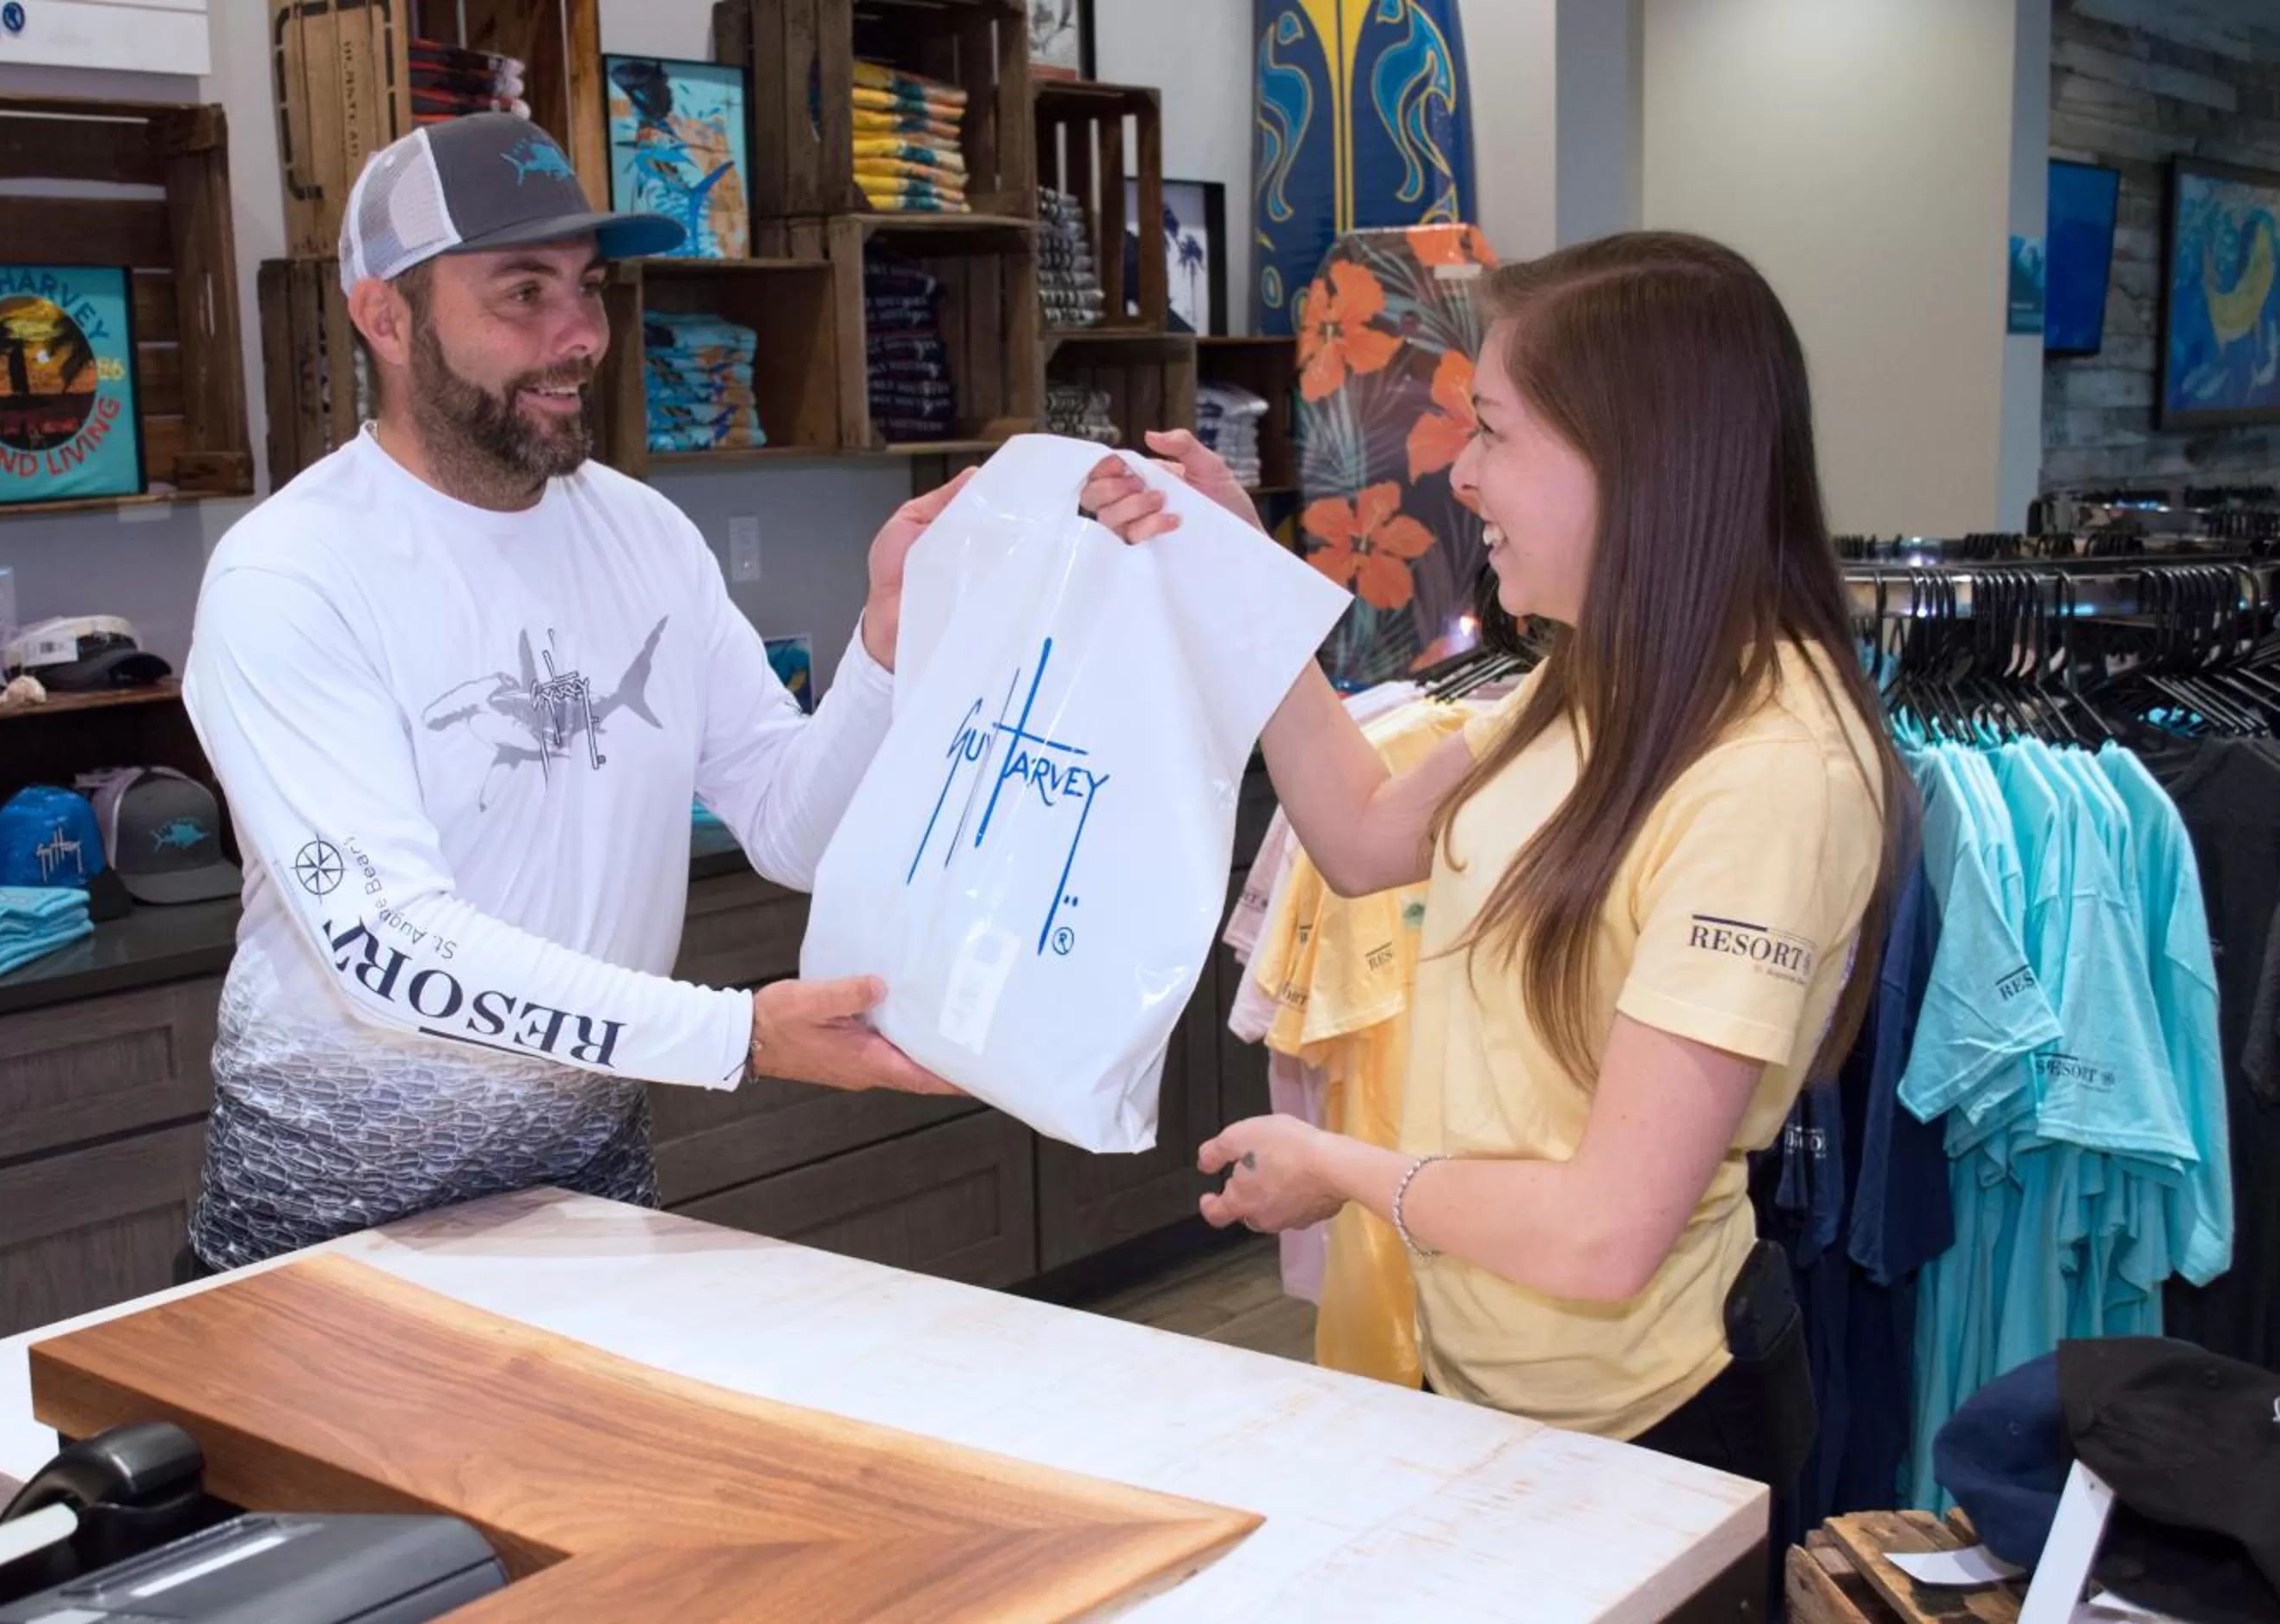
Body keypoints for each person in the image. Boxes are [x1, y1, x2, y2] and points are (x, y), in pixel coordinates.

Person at [1080, 231, 1909, 1489]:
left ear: (1643, 461)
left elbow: (1603, 1237)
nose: (1461, 479)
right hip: (1489, 1382)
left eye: (1498, 433)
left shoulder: (1773, 770)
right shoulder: (1601, 679)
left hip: (1654, 1433)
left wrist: (1342, 1170)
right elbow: (1361, 836)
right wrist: (1234, 575)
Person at [177, 113, 962, 1275]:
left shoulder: (643, 534)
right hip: (330, 1212)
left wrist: (886, 645)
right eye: (522, 293)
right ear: (385, 316)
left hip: (587, 1190)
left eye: (587, 288)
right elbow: (387, 946)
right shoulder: (288, 572)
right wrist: (740, 1035)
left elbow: (796, 832)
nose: (580, 333)